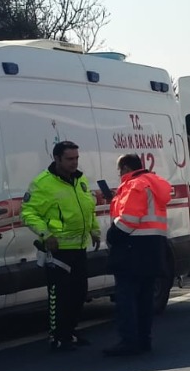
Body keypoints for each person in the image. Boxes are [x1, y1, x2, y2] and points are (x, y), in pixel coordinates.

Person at [21, 140, 100, 352]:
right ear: (57, 159)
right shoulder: (43, 183)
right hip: (58, 251)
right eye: (69, 159)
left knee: (79, 292)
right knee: (59, 295)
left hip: (79, 247)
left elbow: (88, 208)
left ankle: (71, 332)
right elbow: (28, 213)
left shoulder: (80, 179)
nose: (74, 163)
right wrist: (46, 235)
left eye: (76, 158)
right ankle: (57, 336)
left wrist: (94, 230)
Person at [104, 153, 172, 356]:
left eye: (119, 171)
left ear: (125, 168)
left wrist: (113, 234)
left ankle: (128, 341)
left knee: (126, 297)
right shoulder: (153, 182)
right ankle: (144, 339)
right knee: (145, 298)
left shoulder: (135, 185)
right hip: (154, 245)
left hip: (133, 247)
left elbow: (130, 219)